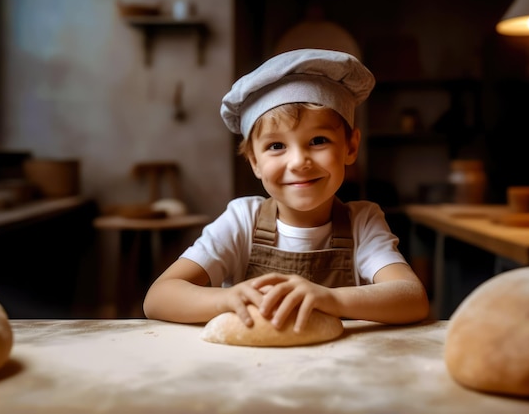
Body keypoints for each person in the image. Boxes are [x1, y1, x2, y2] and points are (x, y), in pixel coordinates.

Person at [143, 48, 429, 332]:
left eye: (318, 140)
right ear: (254, 161)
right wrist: (227, 299)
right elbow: (158, 298)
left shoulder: (362, 223)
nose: (298, 162)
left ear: (350, 147)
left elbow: (412, 298)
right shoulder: (242, 220)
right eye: (276, 146)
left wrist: (330, 299)